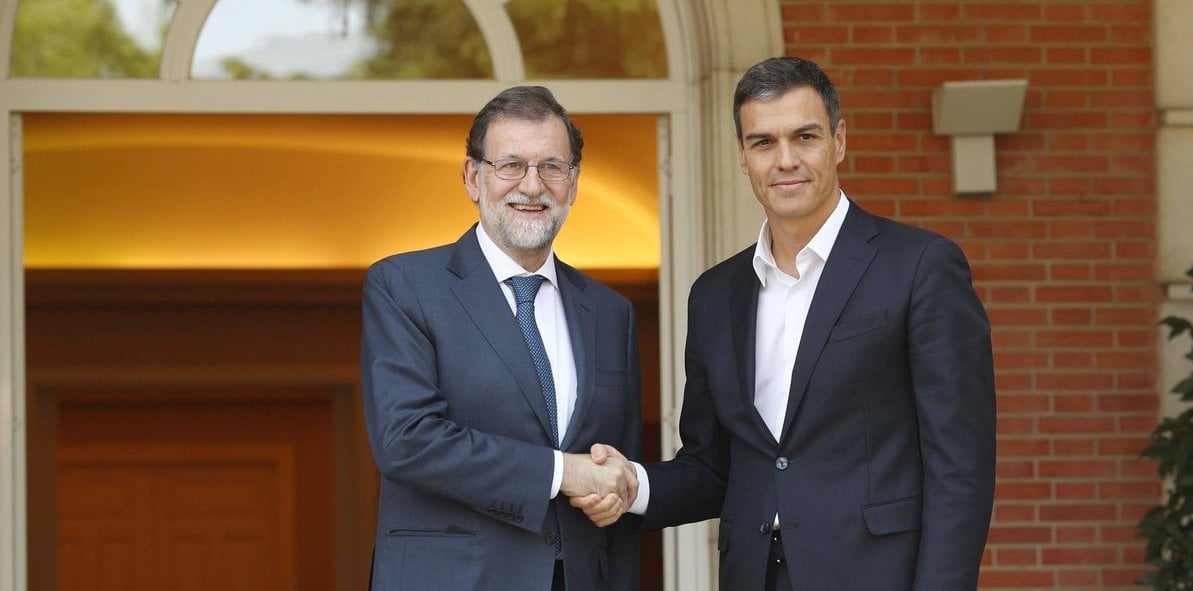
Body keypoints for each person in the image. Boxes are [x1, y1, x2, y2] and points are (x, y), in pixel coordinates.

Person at [573, 57, 996, 589]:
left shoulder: (919, 267)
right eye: (763, 143)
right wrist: (633, 484)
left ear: (839, 141)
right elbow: (713, 467)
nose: (786, 160)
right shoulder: (714, 295)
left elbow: (961, 468)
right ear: (743, 156)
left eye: (805, 136)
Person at [361, 85, 642, 591]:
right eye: (510, 165)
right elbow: (407, 441)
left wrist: (609, 492)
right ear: (473, 176)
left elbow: (614, 470)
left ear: (574, 182)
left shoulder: (610, 312)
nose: (532, 186)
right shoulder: (405, 286)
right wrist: (563, 473)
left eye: (552, 167)